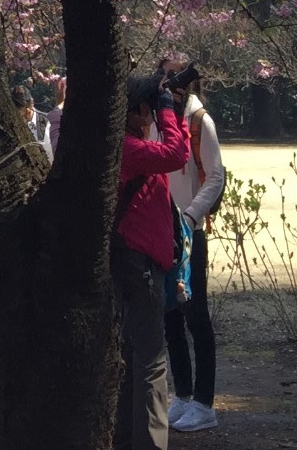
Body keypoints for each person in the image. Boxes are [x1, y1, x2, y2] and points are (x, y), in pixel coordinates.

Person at [113, 72, 190, 450]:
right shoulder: (129, 148)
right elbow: (176, 155)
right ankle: (150, 444)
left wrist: (166, 109)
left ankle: (129, 439)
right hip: (139, 264)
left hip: (139, 262)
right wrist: (168, 112)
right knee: (151, 361)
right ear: (139, 110)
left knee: (133, 357)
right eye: (151, 107)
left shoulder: (129, 146)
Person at [162, 64, 224, 436]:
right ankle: (183, 394)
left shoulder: (201, 121)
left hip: (189, 230)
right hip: (162, 230)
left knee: (195, 313)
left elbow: (215, 175)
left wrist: (189, 215)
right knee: (169, 314)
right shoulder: (160, 116)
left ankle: (204, 402)